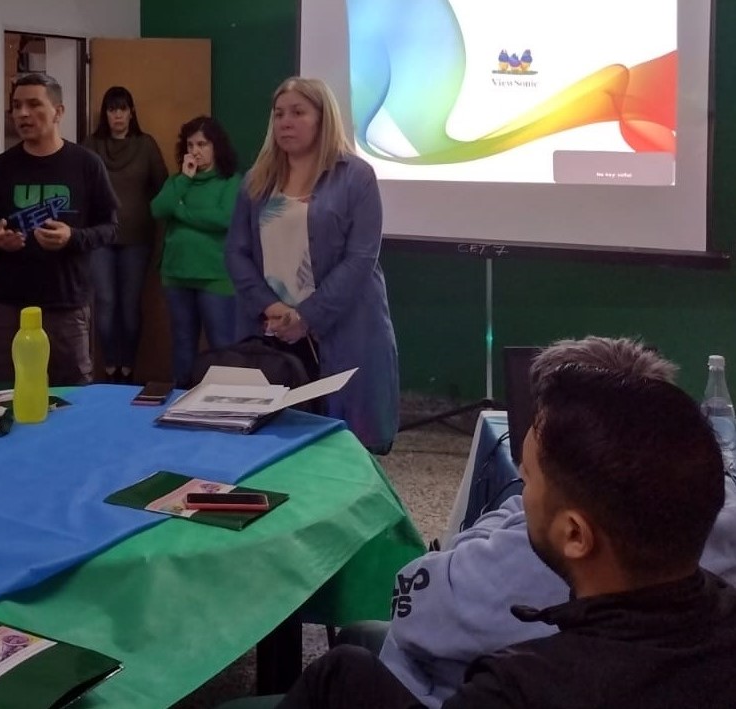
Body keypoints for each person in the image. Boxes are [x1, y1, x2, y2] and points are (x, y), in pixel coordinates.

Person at [276, 364, 736, 708]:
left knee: (341, 672)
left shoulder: (517, 687)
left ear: (575, 535)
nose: (521, 488)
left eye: (529, 479)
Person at [225, 77, 398, 453]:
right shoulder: (256, 181)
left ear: (323, 119)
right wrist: (272, 308)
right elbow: (236, 252)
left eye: (298, 112)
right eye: (279, 114)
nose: (285, 122)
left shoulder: (356, 177)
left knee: (344, 445)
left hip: (344, 329)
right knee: (273, 443)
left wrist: (307, 317)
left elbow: (361, 257)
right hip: (270, 330)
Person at [0, 73, 119, 386]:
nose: (22, 113)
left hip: (65, 301)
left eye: (33, 104)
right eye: (16, 106)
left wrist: (72, 237)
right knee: (0, 389)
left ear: (59, 111)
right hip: (7, 302)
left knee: (72, 394)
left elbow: (110, 228)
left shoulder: (86, 164)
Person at [84, 86, 168, 384]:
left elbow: (163, 188)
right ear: (105, 114)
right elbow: (81, 188)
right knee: (105, 304)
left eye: (122, 109)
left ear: (131, 112)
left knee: (130, 306)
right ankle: (110, 367)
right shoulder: (91, 145)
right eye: (111, 109)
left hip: (137, 239)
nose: (117, 115)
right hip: (101, 239)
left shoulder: (146, 145)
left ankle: (129, 368)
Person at [150, 115, 241, 386]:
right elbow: (157, 209)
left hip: (215, 276)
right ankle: (182, 398)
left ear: (216, 147)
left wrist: (181, 210)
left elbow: (224, 219)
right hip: (176, 275)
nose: (195, 151)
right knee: (182, 342)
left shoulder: (230, 181)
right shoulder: (180, 180)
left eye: (202, 144)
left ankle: (227, 401)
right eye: (190, 145)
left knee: (221, 343)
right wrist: (184, 180)